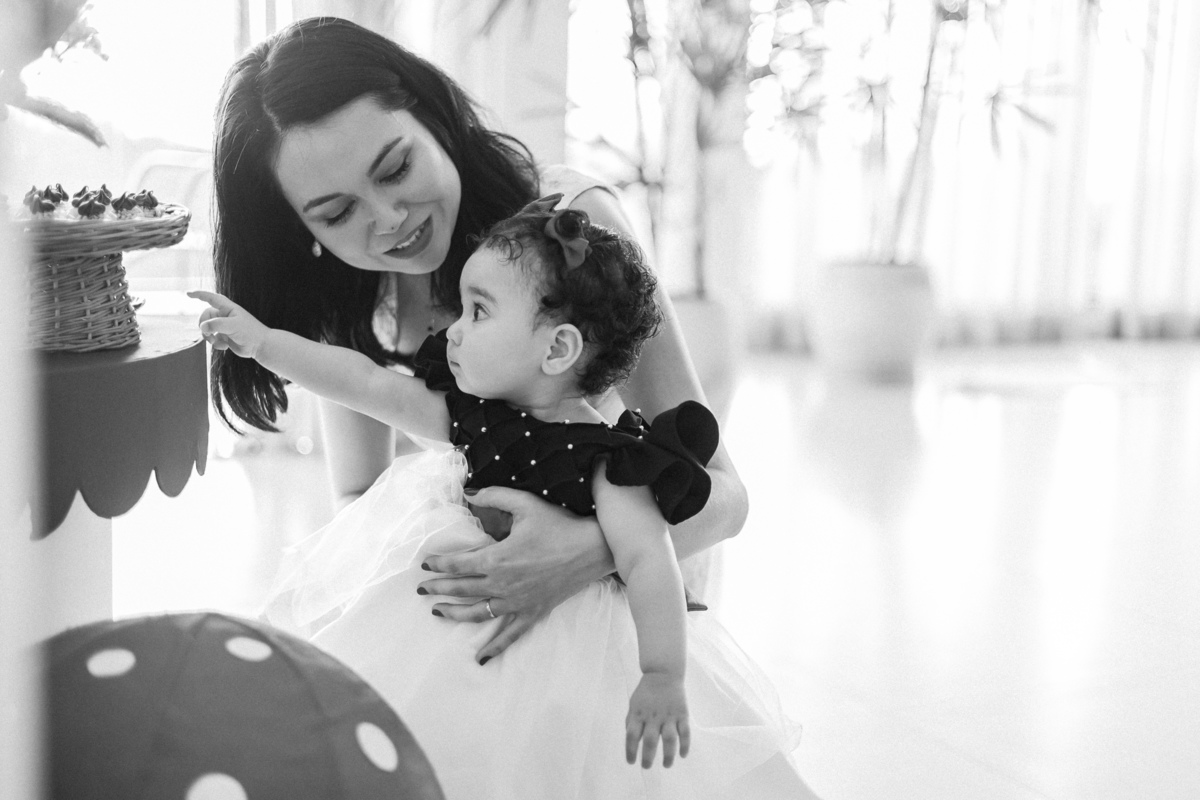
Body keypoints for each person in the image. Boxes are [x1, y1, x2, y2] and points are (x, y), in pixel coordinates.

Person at [189, 198, 806, 797]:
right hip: (442, 626)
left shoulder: (609, 462)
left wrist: (662, 674)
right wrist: (264, 343)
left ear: (557, 349)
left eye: (478, 312)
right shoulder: (467, 412)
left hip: (569, 661)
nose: (453, 331)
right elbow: (365, 381)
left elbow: (650, 563)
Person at [209, 14, 747, 667]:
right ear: (304, 231)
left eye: (396, 168)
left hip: (633, 602)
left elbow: (726, 497)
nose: (388, 220)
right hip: (485, 610)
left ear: (433, 117)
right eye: (338, 213)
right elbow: (360, 497)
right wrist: (456, 554)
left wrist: (583, 552)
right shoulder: (348, 297)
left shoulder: (568, 228)